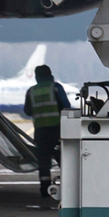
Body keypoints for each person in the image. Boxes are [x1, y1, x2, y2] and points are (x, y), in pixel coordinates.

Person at [24, 64, 70, 202]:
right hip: (57, 129)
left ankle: (45, 189)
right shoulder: (56, 88)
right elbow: (66, 106)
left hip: (40, 131)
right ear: (50, 74)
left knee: (43, 162)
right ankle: (68, 187)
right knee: (64, 160)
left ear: (37, 77)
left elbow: (27, 111)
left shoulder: (31, 91)